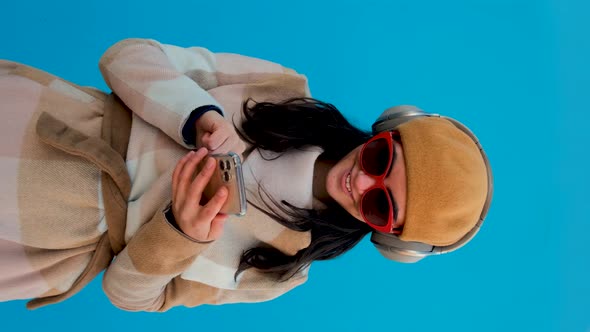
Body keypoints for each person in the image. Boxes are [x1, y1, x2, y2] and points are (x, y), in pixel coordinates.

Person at [0, 38, 492, 312]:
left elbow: (131, 297)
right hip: (36, 123)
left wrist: (178, 236)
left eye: (381, 206)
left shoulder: (282, 270)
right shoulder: (281, 87)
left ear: (388, 238)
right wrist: (197, 116)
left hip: (41, 242)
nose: (362, 183)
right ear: (388, 130)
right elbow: (126, 55)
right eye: (381, 160)